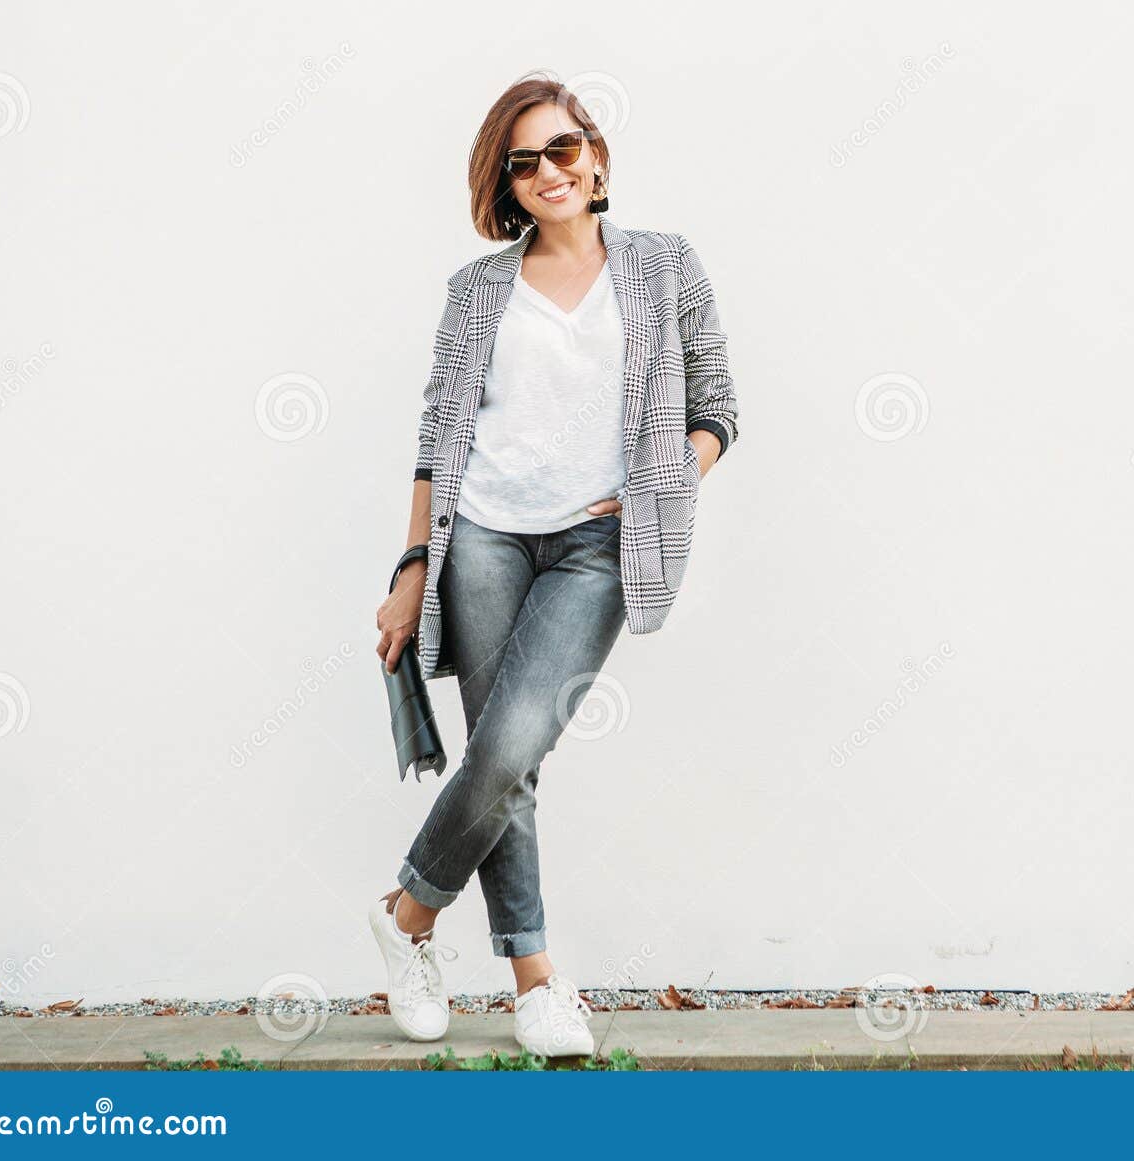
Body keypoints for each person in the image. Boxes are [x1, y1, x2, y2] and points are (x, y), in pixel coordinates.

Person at [371, 73, 739, 1056]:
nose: (547, 172)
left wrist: (669, 475)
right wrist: (413, 569)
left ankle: (406, 914)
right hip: (482, 534)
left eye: (563, 149)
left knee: (509, 745)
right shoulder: (476, 291)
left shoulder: (665, 266)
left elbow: (718, 407)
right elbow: (436, 436)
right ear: (506, 184)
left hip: (599, 542)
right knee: (510, 765)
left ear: (597, 156)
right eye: (522, 161)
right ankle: (536, 983)